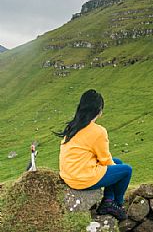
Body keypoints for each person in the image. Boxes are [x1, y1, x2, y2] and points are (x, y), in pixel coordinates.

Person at [55, 89, 132, 220]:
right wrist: (115, 175)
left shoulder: (73, 126)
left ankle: (108, 200)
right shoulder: (98, 131)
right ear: (99, 110)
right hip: (81, 178)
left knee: (117, 162)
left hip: (69, 175)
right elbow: (105, 160)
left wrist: (112, 169)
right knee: (126, 170)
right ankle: (117, 204)